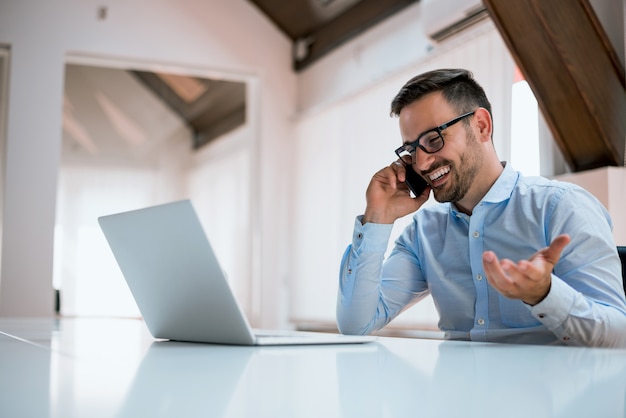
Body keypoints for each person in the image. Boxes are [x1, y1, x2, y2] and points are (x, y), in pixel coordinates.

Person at [336, 68, 626, 347]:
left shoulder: (562, 207)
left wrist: (546, 294)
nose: (422, 164)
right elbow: (356, 325)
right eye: (412, 150)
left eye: (433, 140)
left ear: (481, 126)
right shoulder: (424, 233)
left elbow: (619, 335)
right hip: (460, 394)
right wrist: (378, 218)